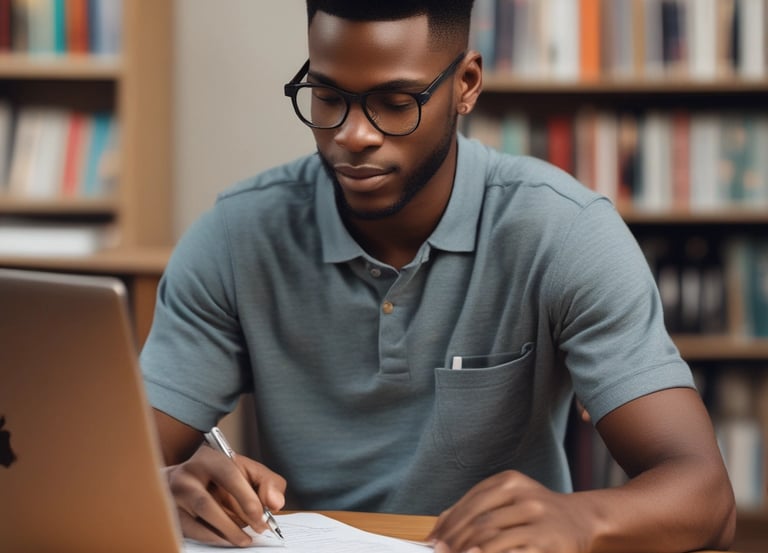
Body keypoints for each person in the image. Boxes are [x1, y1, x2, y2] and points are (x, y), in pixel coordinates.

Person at [140, 1, 736, 552]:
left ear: (466, 85)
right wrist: (171, 484)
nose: (354, 134)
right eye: (327, 97)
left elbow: (704, 494)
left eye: (395, 103)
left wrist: (583, 519)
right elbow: (114, 465)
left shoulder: (565, 232)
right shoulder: (234, 236)